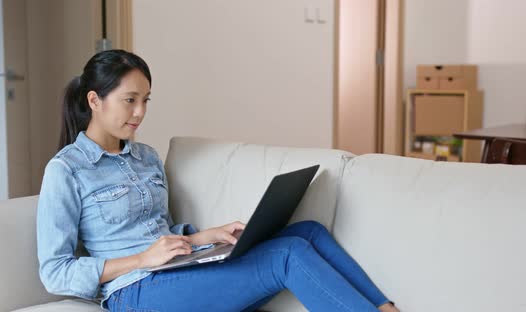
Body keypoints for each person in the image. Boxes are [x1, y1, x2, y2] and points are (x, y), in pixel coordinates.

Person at [36, 49, 399, 312]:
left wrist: (203, 238)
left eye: (146, 100)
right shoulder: (66, 170)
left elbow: (157, 234)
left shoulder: (145, 156)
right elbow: (55, 272)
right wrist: (141, 259)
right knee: (287, 255)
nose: (140, 112)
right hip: (134, 292)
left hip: (176, 268)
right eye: (130, 100)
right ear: (94, 100)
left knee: (308, 232)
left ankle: (385, 307)